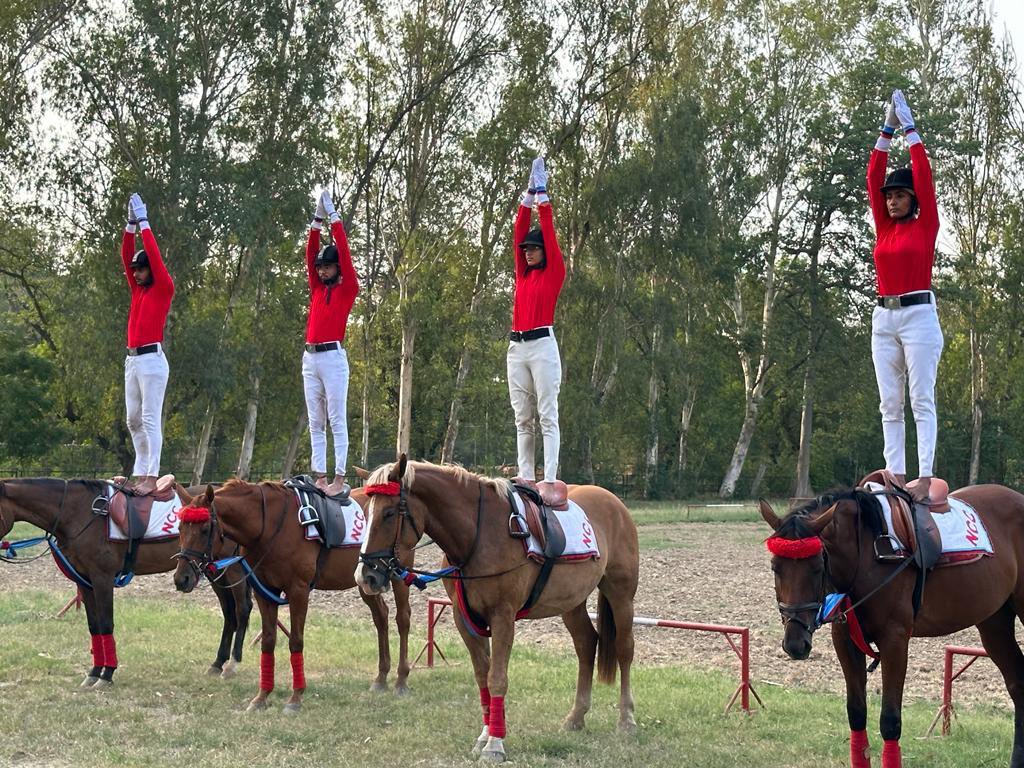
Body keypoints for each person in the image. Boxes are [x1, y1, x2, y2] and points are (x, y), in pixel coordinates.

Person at [866, 89, 943, 502]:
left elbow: (923, 173)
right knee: (889, 404)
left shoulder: (924, 223)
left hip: (918, 315)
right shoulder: (885, 227)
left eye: (899, 195)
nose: (891, 199)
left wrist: (911, 131)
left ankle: (926, 475)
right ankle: (895, 474)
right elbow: (872, 177)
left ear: (912, 198)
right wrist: (886, 130)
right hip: (884, 317)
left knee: (920, 399)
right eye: (889, 196)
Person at [508, 157, 566, 504]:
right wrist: (527, 196)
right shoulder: (523, 274)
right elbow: (518, 230)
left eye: (533, 248)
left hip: (543, 344)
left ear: (544, 251)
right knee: (522, 417)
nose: (528, 253)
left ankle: (550, 477)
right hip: (517, 347)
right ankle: (526, 474)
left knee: (547, 413)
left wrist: (543, 198)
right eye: (526, 250)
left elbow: (548, 232)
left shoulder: (553, 271)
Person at [302, 189, 359, 497]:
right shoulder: (315, 287)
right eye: (320, 266)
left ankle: (339, 475)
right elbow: (310, 254)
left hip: (333, 357)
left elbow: (346, 255)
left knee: (336, 417)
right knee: (315, 420)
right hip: (310, 357)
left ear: (337, 269)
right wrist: (316, 222)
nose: (322, 269)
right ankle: (320, 475)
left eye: (328, 266)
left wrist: (335, 220)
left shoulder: (347, 287)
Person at [121, 193, 174, 495]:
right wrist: (130, 226)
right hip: (132, 360)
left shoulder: (162, 288)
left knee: (151, 418)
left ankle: (151, 476)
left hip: (152, 359)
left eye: (141, 269)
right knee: (133, 419)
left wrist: (144, 222)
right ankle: (140, 470)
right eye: (135, 270)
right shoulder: (137, 289)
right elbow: (126, 254)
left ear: (150, 270)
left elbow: (152, 254)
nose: (137, 273)